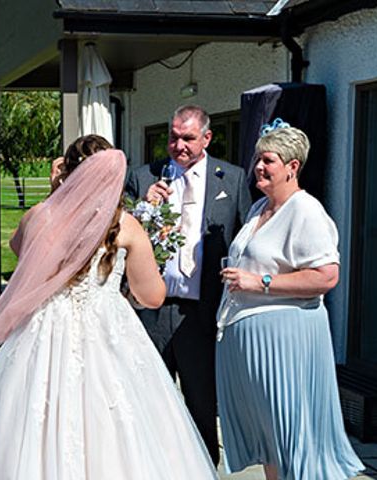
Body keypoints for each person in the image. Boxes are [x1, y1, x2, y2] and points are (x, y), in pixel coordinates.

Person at [0, 135, 218, 479]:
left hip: (43, 331)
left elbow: (19, 248)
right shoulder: (125, 225)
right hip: (106, 330)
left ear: (68, 171)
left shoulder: (39, 217)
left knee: (32, 428)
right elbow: (153, 297)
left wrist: (55, 193)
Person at [216, 124, 364, 479]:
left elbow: (326, 276)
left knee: (290, 434)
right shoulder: (259, 209)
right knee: (271, 438)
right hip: (249, 338)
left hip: (286, 342)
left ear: (292, 167)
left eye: (268, 160)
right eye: (257, 160)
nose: (259, 168)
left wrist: (261, 281)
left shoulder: (306, 211)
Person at [124, 104, 251, 464]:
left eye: (188, 138)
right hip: (152, 311)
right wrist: (141, 210)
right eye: (173, 137)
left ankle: (204, 471)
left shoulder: (233, 178)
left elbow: (244, 243)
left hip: (201, 314)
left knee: (201, 408)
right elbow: (117, 237)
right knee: (149, 406)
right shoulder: (143, 178)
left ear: (207, 138)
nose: (178, 145)